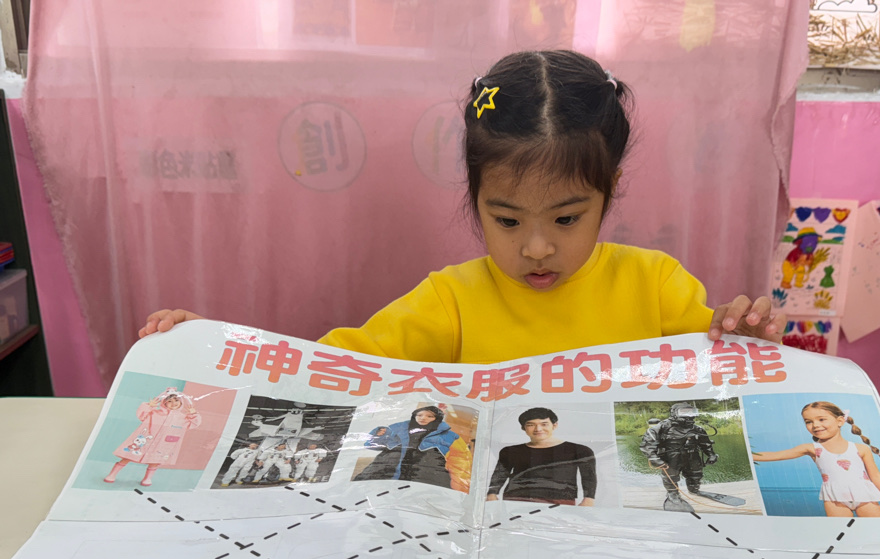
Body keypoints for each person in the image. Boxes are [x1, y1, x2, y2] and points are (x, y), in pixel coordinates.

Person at [138, 50, 785, 361]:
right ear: (474, 200)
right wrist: (215, 347)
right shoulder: (449, 300)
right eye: (507, 220)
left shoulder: (657, 286)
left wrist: (748, 338)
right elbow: (328, 364)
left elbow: (722, 362)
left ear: (608, 192)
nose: (536, 248)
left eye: (566, 219)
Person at [751, 401, 880, 518]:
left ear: (840, 421)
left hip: (866, 497)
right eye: (808, 422)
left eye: (821, 419)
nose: (815, 425)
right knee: (842, 536)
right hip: (834, 499)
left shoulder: (860, 448)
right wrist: (745, 456)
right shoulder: (811, 448)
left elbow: (876, 476)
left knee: (875, 533)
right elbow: (776, 455)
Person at [486, 407, 597, 506]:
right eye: (531, 425)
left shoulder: (580, 450)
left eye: (544, 424)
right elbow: (500, 474)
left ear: (554, 425)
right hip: (515, 501)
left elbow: (589, 478)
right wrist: (491, 494)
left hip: (560, 502)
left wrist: (589, 499)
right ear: (523, 428)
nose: (538, 429)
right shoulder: (510, 451)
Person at [355, 406, 472, 492]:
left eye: (429, 416)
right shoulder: (396, 429)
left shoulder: (450, 436)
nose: (423, 418)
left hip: (426, 479)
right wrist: (378, 434)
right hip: (384, 473)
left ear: (437, 418)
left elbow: (461, 462)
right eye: (419, 415)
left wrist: (459, 489)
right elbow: (371, 445)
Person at [104, 387, 201, 487]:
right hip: (145, 442)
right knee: (128, 457)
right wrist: (149, 406)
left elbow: (194, 424)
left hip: (162, 445)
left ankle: (147, 478)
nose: (173, 403)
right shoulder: (154, 413)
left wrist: (193, 414)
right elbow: (141, 414)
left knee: (155, 462)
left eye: (176, 400)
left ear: (181, 402)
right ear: (164, 402)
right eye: (169, 401)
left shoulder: (183, 418)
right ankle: (112, 474)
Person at [639, 402, 718, 511]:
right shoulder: (662, 427)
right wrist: (654, 459)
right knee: (671, 477)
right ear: (674, 413)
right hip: (672, 457)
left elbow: (705, 444)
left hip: (692, 456)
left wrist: (711, 455)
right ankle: (673, 495)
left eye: (691, 412)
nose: (688, 415)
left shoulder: (697, 429)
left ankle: (694, 489)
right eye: (684, 412)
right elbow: (648, 445)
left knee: (695, 474)